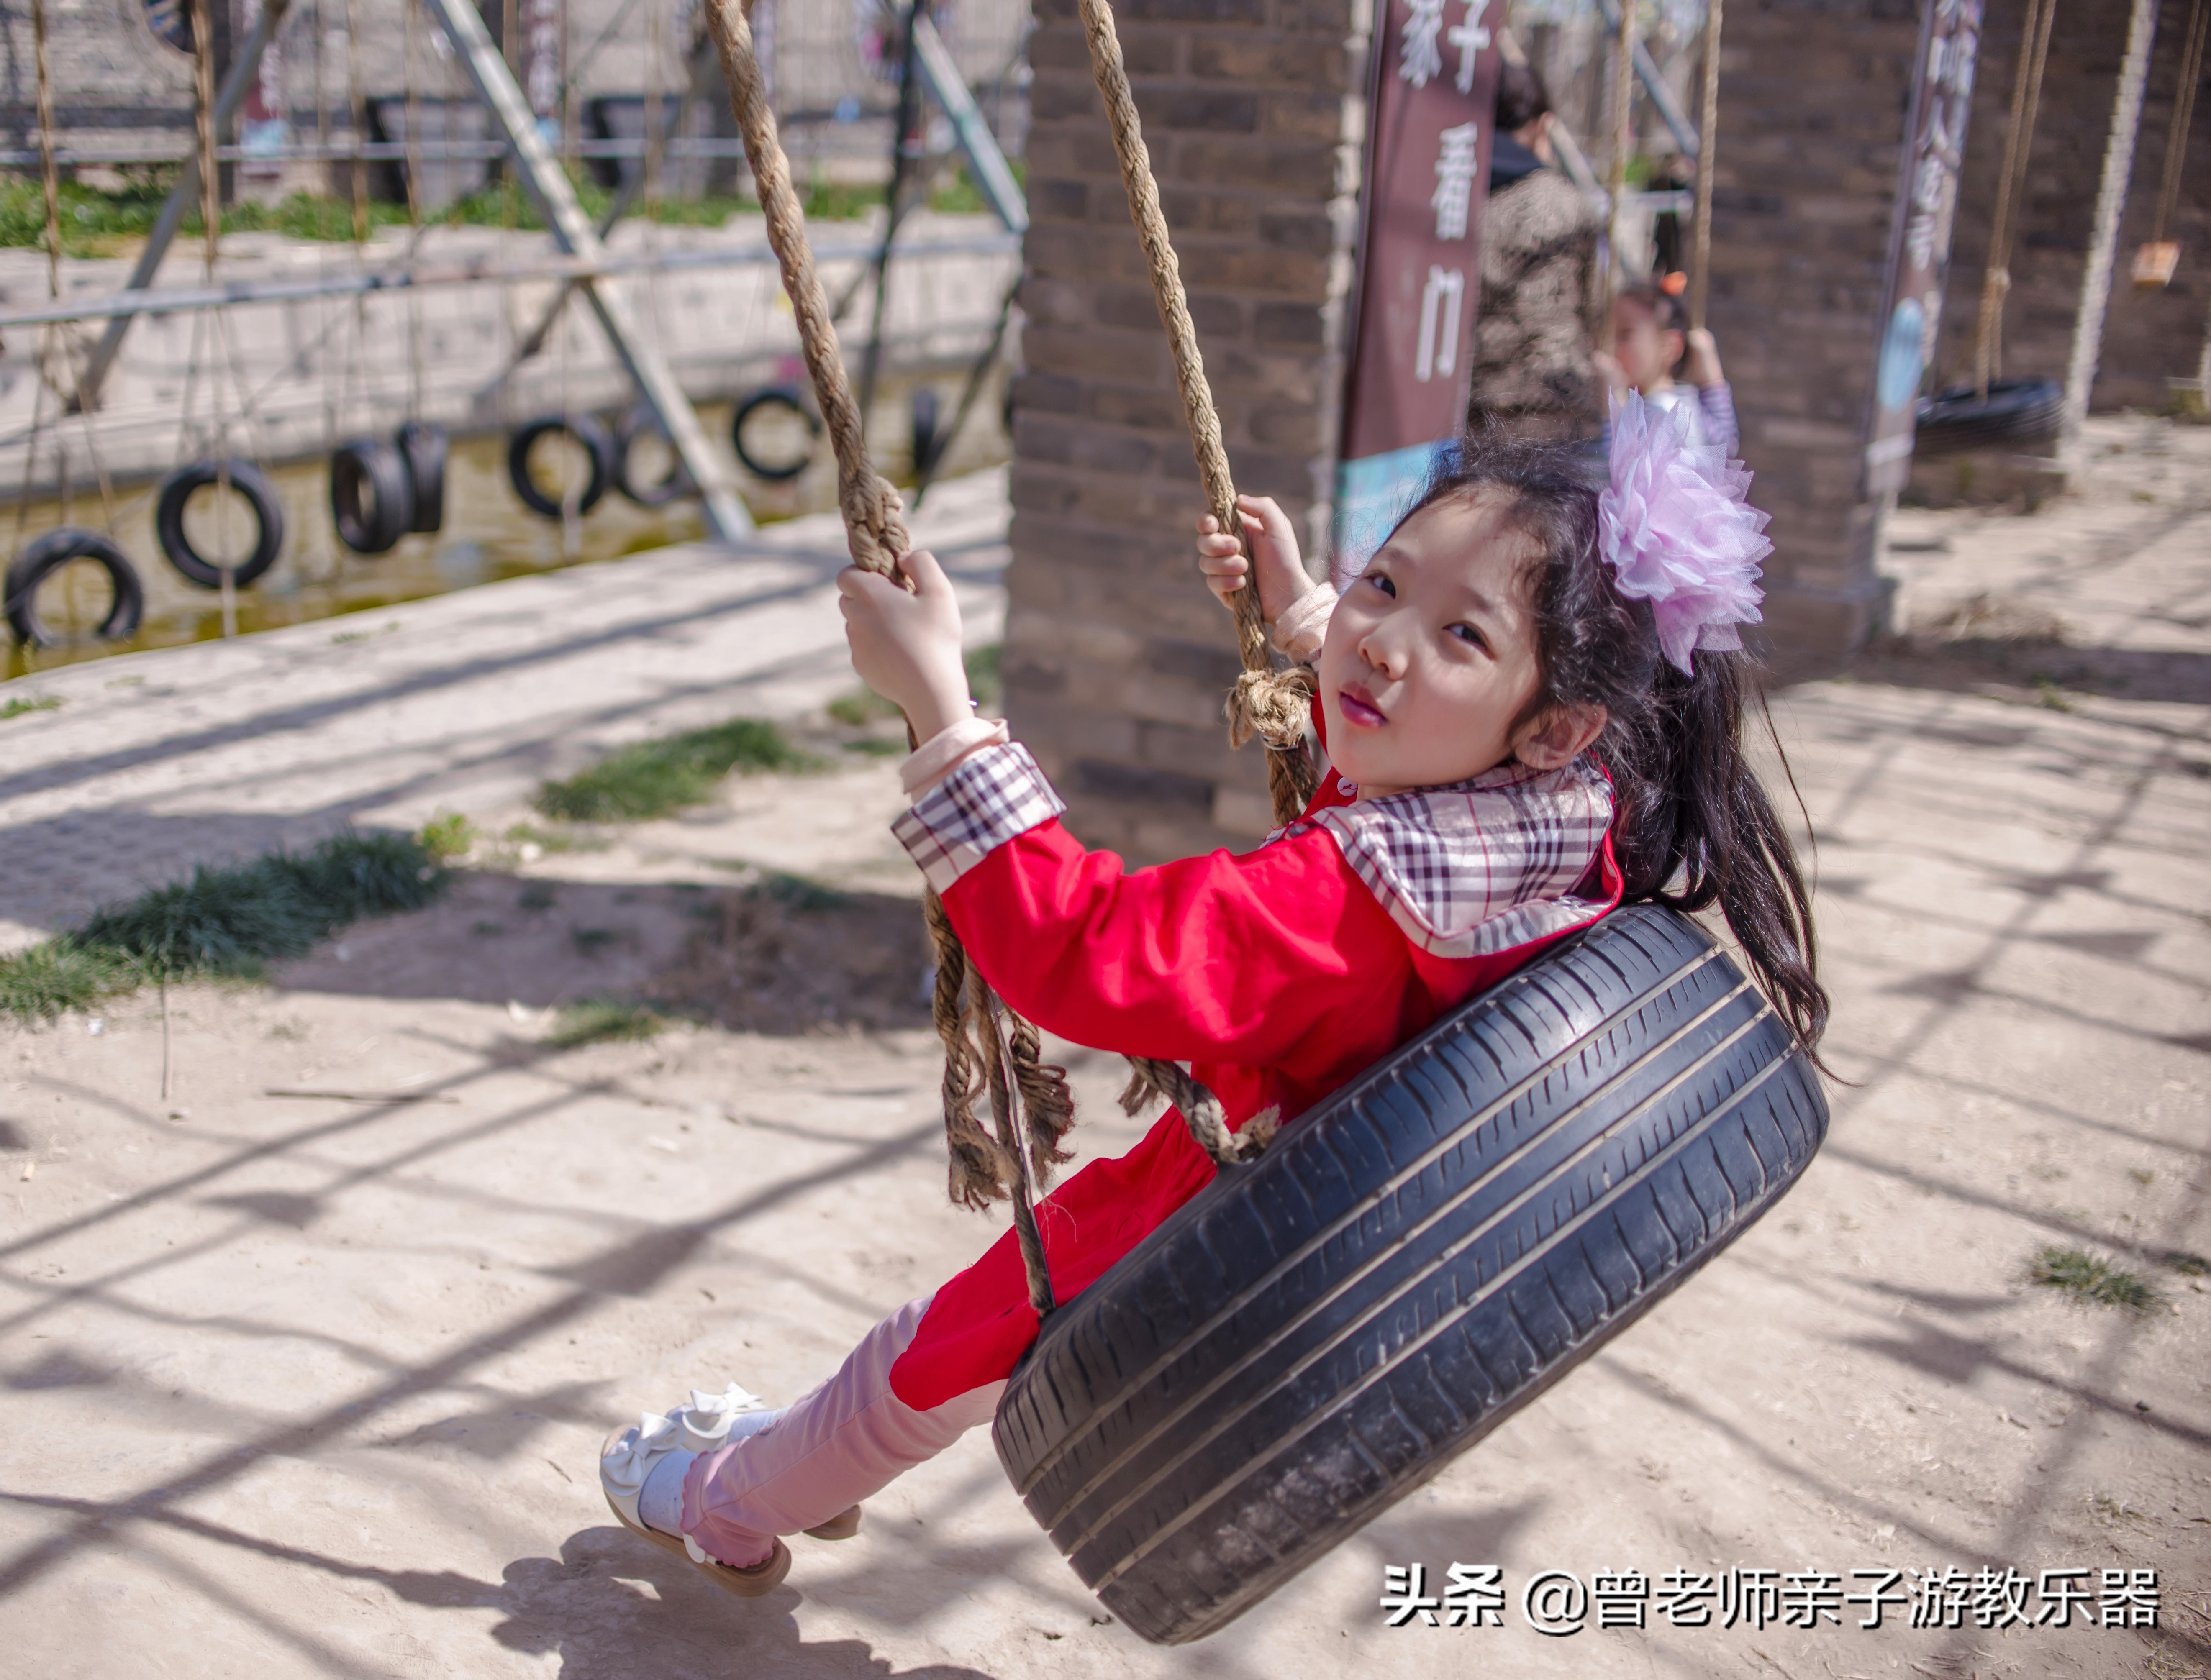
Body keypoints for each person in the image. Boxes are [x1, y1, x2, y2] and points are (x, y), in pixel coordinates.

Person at [598, 402, 1827, 1595]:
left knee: (940, 1350)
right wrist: (1309, 616)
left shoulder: (1349, 898)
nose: (1385, 643)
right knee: (947, 1352)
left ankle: (731, 1507)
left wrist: (939, 706)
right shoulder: (1553, 820)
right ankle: (795, 1466)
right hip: (1336, 1165)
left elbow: (1087, 949)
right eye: (1385, 585)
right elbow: (1400, 705)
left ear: (1556, 725)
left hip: (1238, 1221)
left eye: (1463, 637)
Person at [1470, 62, 1601, 440]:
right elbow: (1592, 308)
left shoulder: (1450, 196)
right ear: (1541, 127)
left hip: (1468, 411)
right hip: (1555, 406)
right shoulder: (1568, 204)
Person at [1600, 280, 1741, 456]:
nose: (1610, 348)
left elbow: (1622, 475)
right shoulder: (1689, 405)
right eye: (1608, 335)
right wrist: (1712, 383)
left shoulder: (1661, 414)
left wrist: (1611, 412)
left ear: (1670, 347)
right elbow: (1727, 444)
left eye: (1625, 335)